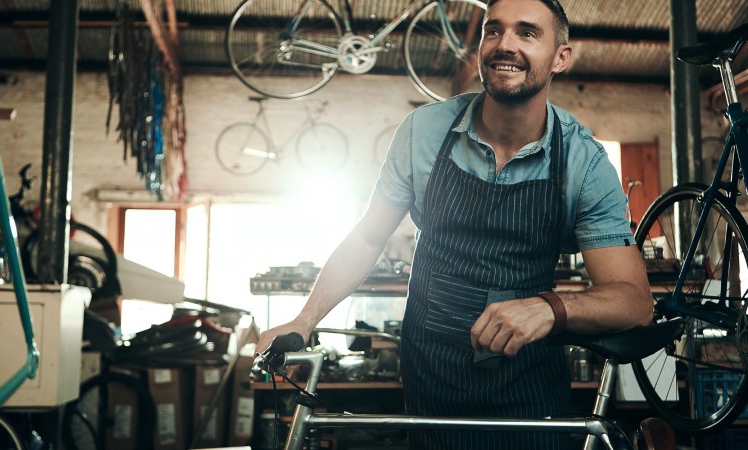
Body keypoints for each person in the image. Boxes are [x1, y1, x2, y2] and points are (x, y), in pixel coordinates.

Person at [255, 0, 654, 448]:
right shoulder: (423, 133)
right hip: (432, 386)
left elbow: (634, 303)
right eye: (493, 30)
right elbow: (368, 237)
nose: (505, 45)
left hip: (530, 394)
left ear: (562, 57)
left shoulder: (584, 160)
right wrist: (305, 319)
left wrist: (550, 307)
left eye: (527, 33)